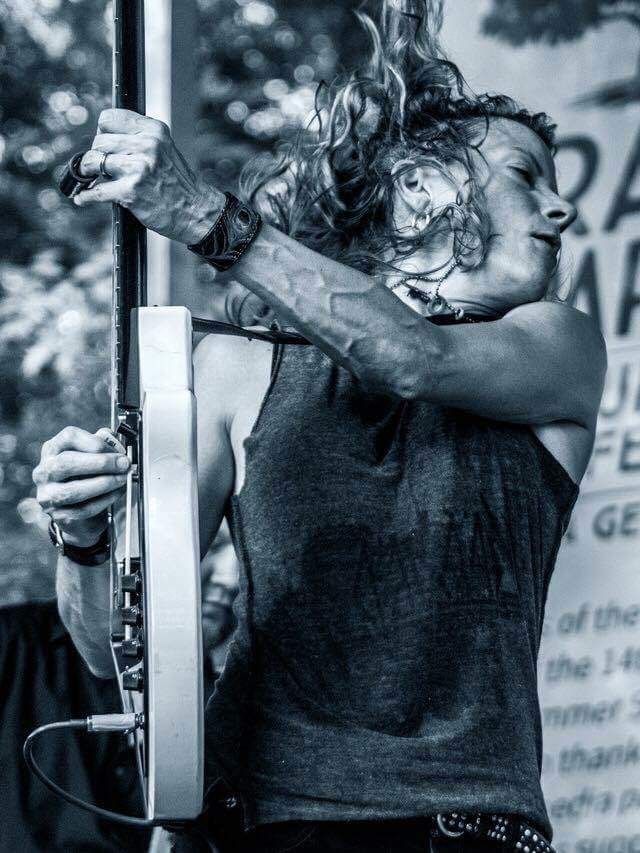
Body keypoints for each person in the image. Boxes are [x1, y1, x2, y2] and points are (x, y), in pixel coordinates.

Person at [34, 2, 606, 851]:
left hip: (458, 827)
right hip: (250, 821)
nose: (561, 211)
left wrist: (203, 215)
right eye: (528, 176)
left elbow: (410, 356)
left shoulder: (559, 344)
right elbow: (114, 650)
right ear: (419, 188)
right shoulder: (236, 369)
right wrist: (82, 540)